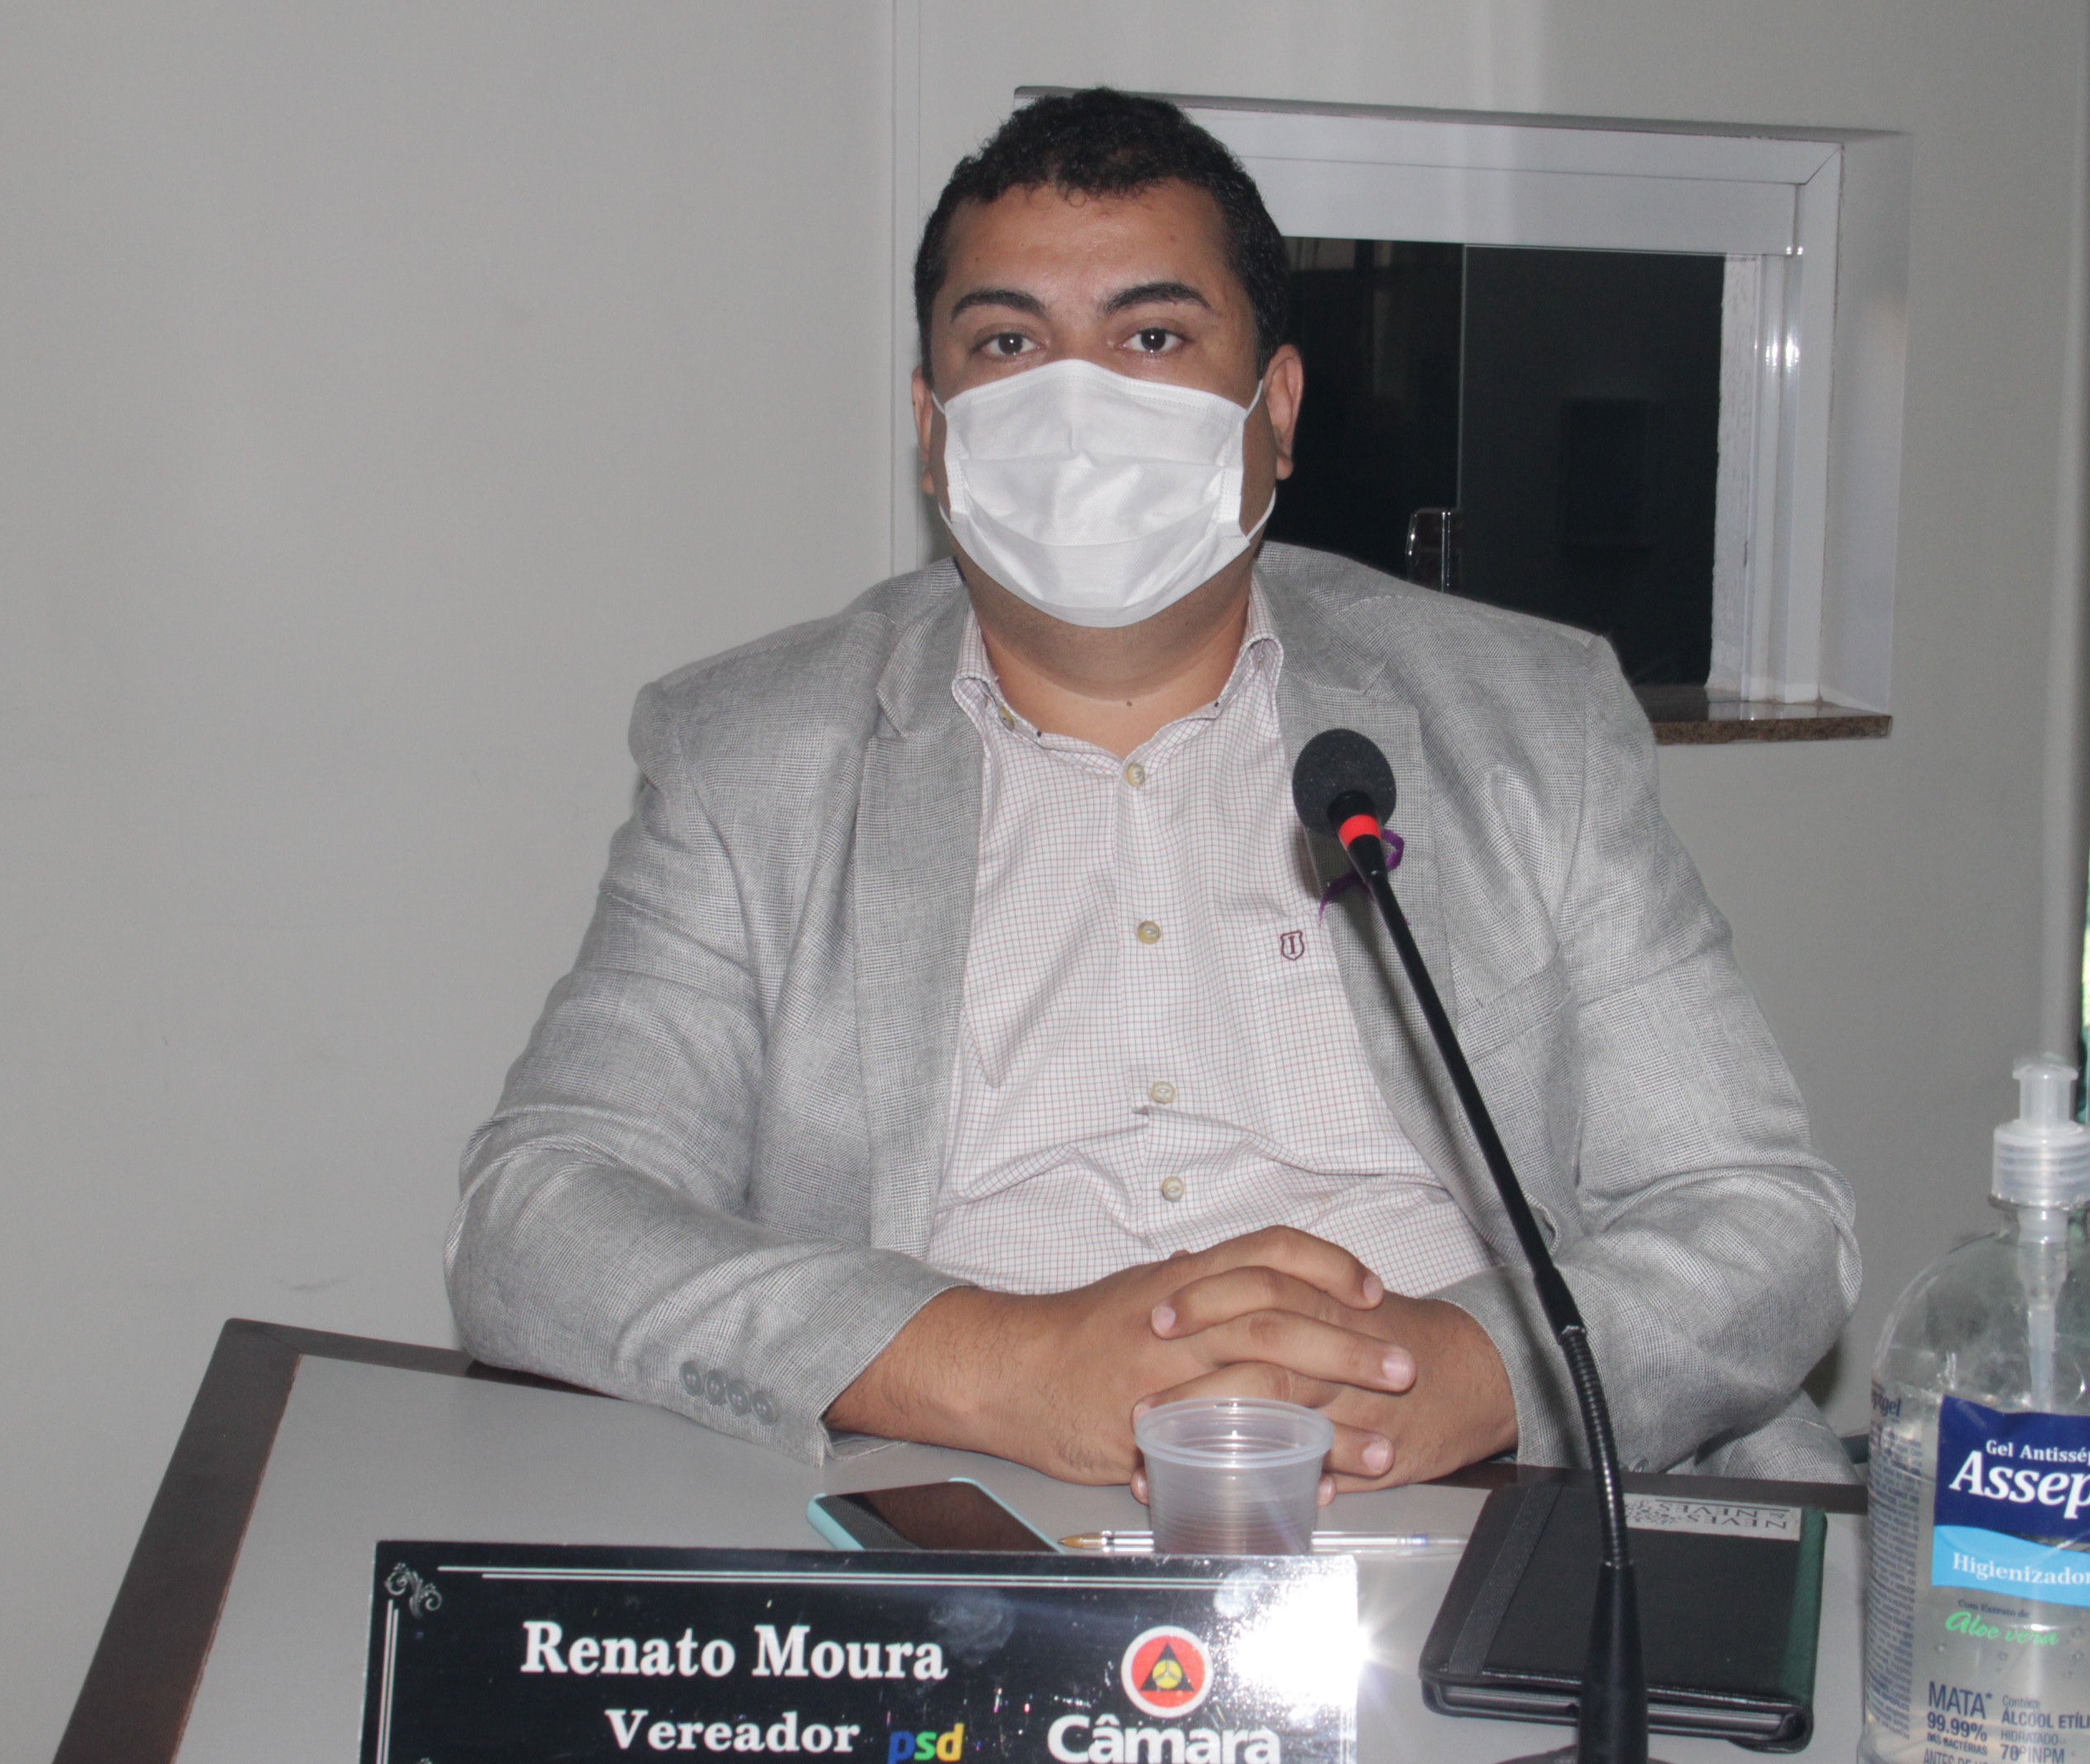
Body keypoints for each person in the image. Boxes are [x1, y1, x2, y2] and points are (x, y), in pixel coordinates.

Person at [449, 89, 1859, 1494]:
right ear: (933, 429)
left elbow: (1760, 1217)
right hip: (958, 1490)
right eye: (1009, 343)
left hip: (1463, 1486)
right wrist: (996, 1364)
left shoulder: (1526, 716)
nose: (1078, 408)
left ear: (1276, 408)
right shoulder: (749, 752)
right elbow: (536, 1223)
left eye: (1153, 337)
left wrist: (1476, 1376)